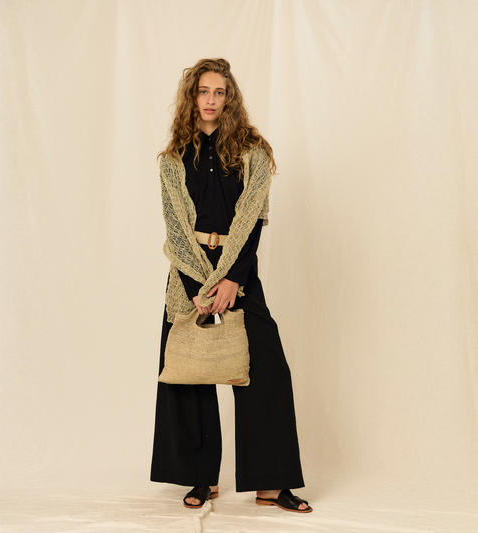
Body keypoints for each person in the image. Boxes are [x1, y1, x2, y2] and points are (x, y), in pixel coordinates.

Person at [150, 58, 312, 514]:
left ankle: (271, 483)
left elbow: (252, 219)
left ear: (229, 98)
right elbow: (175, 227)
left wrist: (232, 279)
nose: (211, 100)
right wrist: (198, 286)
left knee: (267, 368)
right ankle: (201, 478)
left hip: (238, 267)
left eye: (219, 92)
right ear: (192, 97)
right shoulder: (173, 159)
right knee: (189, 370)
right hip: (188, 273)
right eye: (203, 91)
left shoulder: (251, 152)